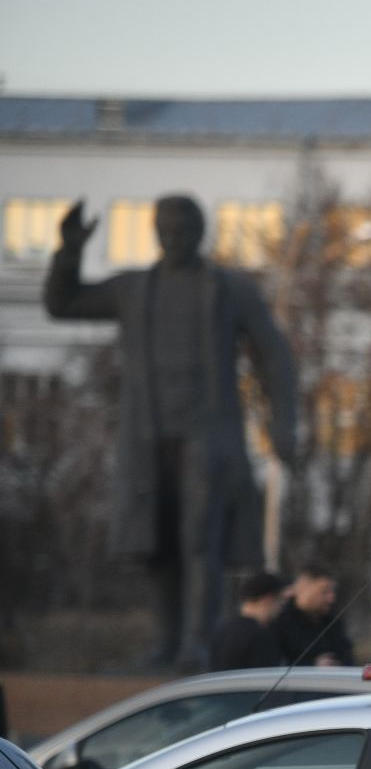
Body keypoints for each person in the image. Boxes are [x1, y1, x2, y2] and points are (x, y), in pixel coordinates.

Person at [42, 195, 297, 671]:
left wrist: (284, 424)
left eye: (183, 230)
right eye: (166, 230)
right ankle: (166, 642)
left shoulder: (229, 288)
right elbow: (63, 303)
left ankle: (197, 644)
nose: (174, 239)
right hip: (148, 434)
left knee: (202, 538)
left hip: (208, 433)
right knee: (155, 541)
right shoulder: (133, 288)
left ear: (200, 233)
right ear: (155, 232)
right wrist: (69, 250)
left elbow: (274, 354)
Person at [272, 564, 354, 666]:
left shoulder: (333, 621)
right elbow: (274, 666)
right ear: (303, 590)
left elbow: (348, 658)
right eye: (324, 592)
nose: (331, 598)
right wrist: (311, 666)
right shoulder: (279, 623)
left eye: (332, 592)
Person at [207, 571, 287, 671]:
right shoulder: (261, 636)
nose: (282, 606)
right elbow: (266, 679)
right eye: (280, 600)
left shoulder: (223, 629)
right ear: (268, 599)